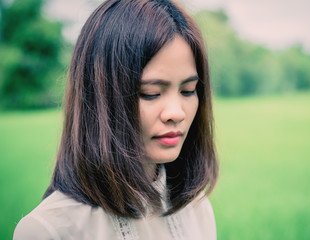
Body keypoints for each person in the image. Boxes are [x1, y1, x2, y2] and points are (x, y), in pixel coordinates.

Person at [13, 0, 218, 239]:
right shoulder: (49, 230)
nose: (176, 113)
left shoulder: (195, 207)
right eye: (151, 93)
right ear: (101, 97)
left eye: (188, 90)